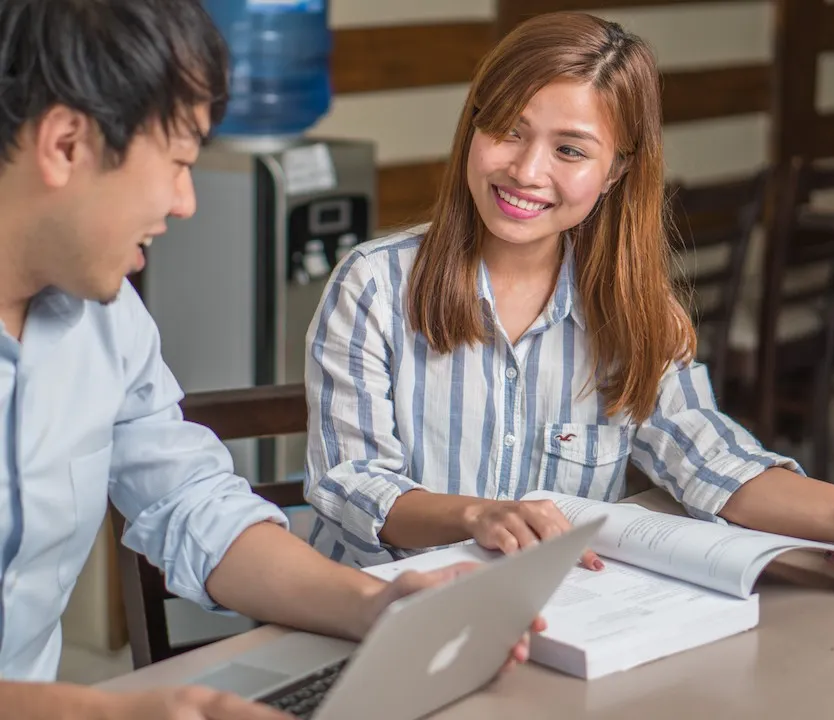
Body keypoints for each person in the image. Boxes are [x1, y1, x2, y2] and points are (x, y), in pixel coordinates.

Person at [0, 1, 539, 718]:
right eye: (181, 162)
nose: (186, 202)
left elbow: (191, 503)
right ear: (67, 144)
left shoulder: (107, 321)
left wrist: (373, 607)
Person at [305, 11, 834, 590]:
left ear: (616, 172)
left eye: (570, 150)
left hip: (557, 619)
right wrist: (477, 516)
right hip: (376, 611)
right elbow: (352, 483)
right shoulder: (375, 284)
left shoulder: (632, 308)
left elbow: (709, 457)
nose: (527, 170)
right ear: (473, 129)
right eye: (509, 130)